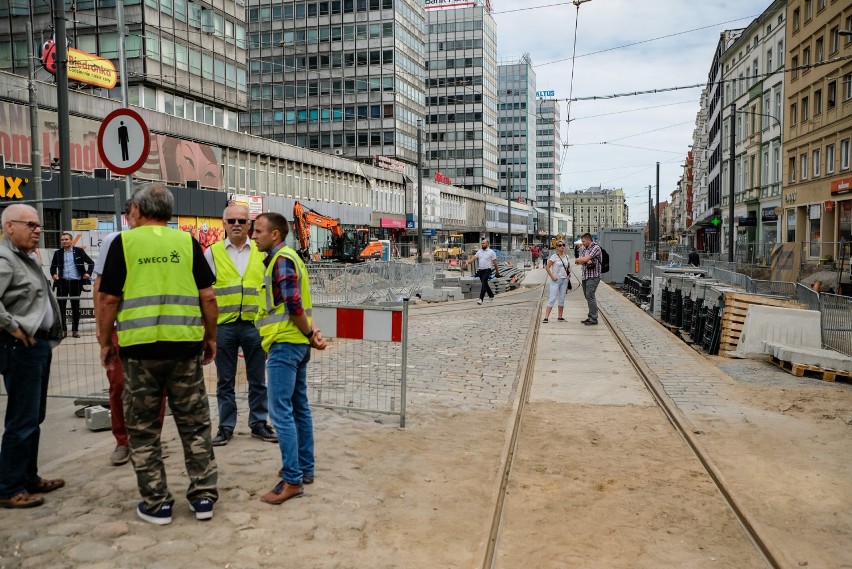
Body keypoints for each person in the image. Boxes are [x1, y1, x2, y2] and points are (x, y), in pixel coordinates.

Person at [97, 183, 219, 525]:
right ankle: (203, 497)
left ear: (138, 210)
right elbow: (207, 296)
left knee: (144, 429)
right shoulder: (186, 242)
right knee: (195, 424)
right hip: (184, 348)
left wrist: (106, 342)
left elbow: (108, 299)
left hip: (139, 352)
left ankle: (157, 503)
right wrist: (211, 337)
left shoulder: (124, 244)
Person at [251, 212, 327, 505]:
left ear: (275, 235)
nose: (253, 235)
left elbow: (294, 305)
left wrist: (309, 334)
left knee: (280, 412)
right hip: (295, 344)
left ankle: (292, 480)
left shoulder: (282, 260)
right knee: (299, 408)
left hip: (285, 344)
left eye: (258, 231)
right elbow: (301, 305)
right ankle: (304, 470)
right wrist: (310, 334)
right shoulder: (289, 259)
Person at [0, 204, 66, 509]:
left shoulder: (26, 257)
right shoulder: (5, 258)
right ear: (9, 227)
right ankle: (9, 487)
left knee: (34, 416)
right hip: (21, 349)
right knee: (21, 419)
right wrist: (13, 327)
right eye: (31, 225)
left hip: (38, 346)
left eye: (38, 225)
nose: (37, 230)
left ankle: (28, 476)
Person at [204, 204, 276, 447]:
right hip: (223, 327)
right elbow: (204, 292)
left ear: (250, 225)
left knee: (258, 379)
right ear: (223, 224)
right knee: (225, 381)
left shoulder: (262, 252)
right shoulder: (212, 253)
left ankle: (258, 423)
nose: (237, 224)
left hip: (255, 326)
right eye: (231, 220)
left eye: (242, 221)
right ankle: (226, 426)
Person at [49, 232, 94, 338]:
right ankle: (63, 330)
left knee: (75, 307)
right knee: (61, 307)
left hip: (76, 283)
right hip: (62, 283)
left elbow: (91, 263)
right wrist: (54, 274)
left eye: (66, 239)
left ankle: (75, 330)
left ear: (71, 240)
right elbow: (52, 267)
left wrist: (88, 273)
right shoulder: (58, 253)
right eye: (62, 240)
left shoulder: (79, 251)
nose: (64, 241)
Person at [575, 233, 602, 326]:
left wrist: (584, 259)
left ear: (588, 240)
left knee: (590, 295)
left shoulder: (596, 248)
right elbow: (577, 261)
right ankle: (590, 316)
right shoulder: (584, 249)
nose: (582, 243)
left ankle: (594, 318)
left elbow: (583, 259)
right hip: (585, 276)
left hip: (593, 276)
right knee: (587, 296)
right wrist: (585, 260)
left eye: (583, 241)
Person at [464, 238, 499, 305]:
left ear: (487, 244)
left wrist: (497, 271)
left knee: (483, 283)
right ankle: (491, 295)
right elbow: (473, 258)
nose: (482, 244)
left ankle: (481, 299)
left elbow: (495, 263)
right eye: (482, 243)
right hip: (480, 271)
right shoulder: (479, 252)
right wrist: (467, 262)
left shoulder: (491, 252)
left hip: (487, 270)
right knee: (485, 284)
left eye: (484, 243)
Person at [542, 240, 571, 323]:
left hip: (565, 280)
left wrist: (569, 273)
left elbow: (568, 266)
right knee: (552, 298)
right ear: (557, 247)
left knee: (562, 299)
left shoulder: (567, 257)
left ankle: (560, 317)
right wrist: (552, 276)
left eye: (563, 245)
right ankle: (546, 317)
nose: (562, 246)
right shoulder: (554, 257)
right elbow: (547, 267)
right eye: (560, 245)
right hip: (556, 280)